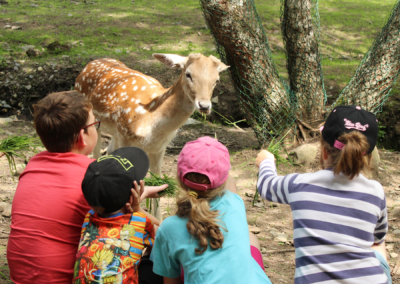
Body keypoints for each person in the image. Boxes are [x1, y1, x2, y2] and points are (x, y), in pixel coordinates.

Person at [7, 91, 166, 283]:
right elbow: (151, 226)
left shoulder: (33, 166)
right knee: (155, 257)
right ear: (83, 135)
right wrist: (136, 204)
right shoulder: (89, 174)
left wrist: (141, 192)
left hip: (20, 277)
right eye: (95, 124)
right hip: (65, 280)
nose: (96, 129)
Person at [256, 105, 391, 284]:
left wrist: (266, 161)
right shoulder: (375, 191)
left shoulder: (299, 184)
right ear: (368, 158)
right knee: (378, 246)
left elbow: (266, 185)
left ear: (324, 151)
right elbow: (378, 237)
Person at [151, 136, 272, 284]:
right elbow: (230, 186)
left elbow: (171, 282)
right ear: (225, 178)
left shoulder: (168, 228)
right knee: (252, 238)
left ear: (178, 177)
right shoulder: (235, 203)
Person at [73, 147, 163, 284]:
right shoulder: (139, 222)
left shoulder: (88, 218)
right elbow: (162, 232)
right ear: (132, 196)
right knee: (156, 251)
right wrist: (137, 208)